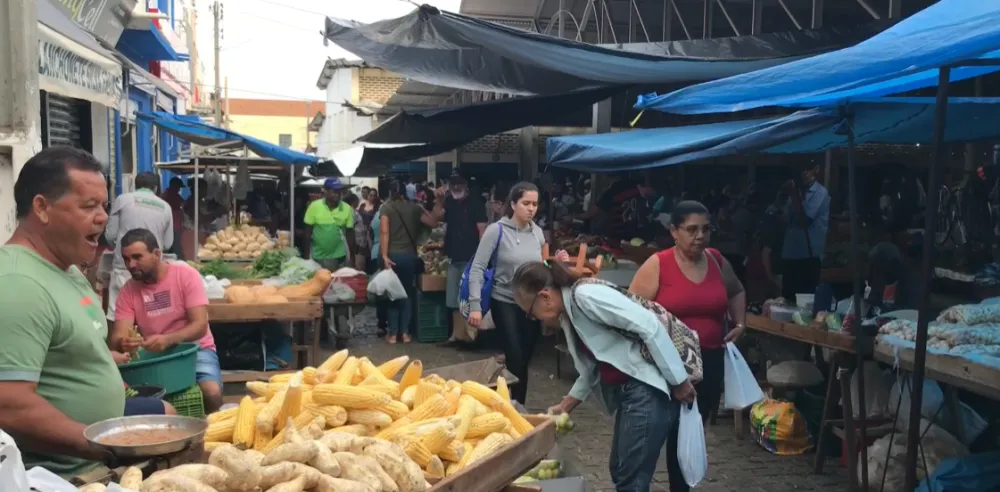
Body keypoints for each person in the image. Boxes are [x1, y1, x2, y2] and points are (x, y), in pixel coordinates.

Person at [0, 147, 171, 477]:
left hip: (97, 462)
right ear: (42, 208)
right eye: (89, 206)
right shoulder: (18, 283)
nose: (104, 217)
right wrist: (109, 448)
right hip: (64, 478)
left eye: (105, 206)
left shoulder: (67, 268)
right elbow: (9, 404)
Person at [510, 261, 696, 492]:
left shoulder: (586, 296)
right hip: (629, 393)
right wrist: (566, 405)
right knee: (620, 469)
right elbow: (592, 368)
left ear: (545, 297)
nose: (535, 319)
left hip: (646, 388)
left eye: (530, 313)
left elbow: (650, 326)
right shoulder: (569, 314)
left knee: (631, 478)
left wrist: (679, 381)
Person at [629, 200, 746, 492]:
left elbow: (737, 290)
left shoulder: (717, 260)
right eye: (691, 229)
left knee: (689, 433)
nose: (700, 236)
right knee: (657, 434)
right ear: (673, 231)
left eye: (706, 229)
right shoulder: (658, 264)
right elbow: (630, 312)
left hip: (709, 361)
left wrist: (740, 323)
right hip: (665, 366)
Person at [468, 182, 568, 404]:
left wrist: (555, 261)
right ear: (513, 204)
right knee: (514, 355)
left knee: (524, 357)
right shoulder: (497, 231)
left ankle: (510, 401)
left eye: (534, 204)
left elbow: (541, 266)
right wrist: (475, 305)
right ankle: (515, 406)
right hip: (504, 300)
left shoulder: (537, 232)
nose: (531, 208)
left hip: (532, 305)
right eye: (525, 203)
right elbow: (478, 267)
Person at [110, 228, 223, 412]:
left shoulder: (185, 276)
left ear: (156, 254)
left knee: (212, 392)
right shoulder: (128, 291)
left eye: (137, 257)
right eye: (126, 259)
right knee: (145, 400)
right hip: (154, 356)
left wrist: (168, 339)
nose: (131, 264)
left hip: (195, 349)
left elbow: (200, 326)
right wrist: (125, 342)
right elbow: (118, 336)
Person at [104, 171, 174, 321]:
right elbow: (167, 244)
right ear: (155, 188)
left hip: (124, 267)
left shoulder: (123, 200)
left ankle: (116, 344)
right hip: (151, 269)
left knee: (118, 315)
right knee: (153, 315)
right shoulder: (166, 207)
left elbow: (110, 235)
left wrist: (121, 251)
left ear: (135, 185)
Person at [431, 174, 487, 344]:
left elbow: (483, 231)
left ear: (466, 185)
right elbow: (435, 220)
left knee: (470, 298)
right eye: (453, 184)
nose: (456, 187)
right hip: (453, 257)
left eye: (459, 184)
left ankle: (471, 336)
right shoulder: (449, 202)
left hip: (472, 259)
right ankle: (456, 335)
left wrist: (482, 258)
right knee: (454, 299)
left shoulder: (476, 204)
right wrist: (439, 200)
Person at [380, 180, 438, 343]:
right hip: (409, 257)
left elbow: (384, 231)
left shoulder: (386, 207)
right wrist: (421, 207)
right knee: (406, 294)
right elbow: (433, 223)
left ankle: (392, 334)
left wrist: (384, 256)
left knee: (392, 294)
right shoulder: (414, 208)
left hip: (392, 256)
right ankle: (405, 334)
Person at [780, 163, 831, 300]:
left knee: (805, 301)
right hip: (790, 254)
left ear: (816, 170)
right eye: (802, 169)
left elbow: (804, 220)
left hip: (808, 257)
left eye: (808, 169)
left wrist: (793, 194)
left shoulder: (820, 193)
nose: (805, 173)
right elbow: (784, 219)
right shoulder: (797, 192)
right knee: (787, 300)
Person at [582, 175, 657, 242]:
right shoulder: (633, 187)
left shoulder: (612, 192)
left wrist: (577, 216)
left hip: (623, 236)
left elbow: (593, 212)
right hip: (633, 236)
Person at [304, 178, 356, 271]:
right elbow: (307, 234)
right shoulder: (314, 206)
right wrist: (306, 257)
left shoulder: (347, 208)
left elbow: (350, 235)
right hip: (318, 257)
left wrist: (352, 259)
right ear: (326, 191)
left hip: (340, 256)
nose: (337, 194)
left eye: (340, 191)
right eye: (334, 191)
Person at [160, 177, 186, 258]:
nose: (179, 189)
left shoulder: (173, 195)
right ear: (174, 186)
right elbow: (184, 204)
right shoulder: (168, 195)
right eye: (178, 187)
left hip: (175, 224)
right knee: (175, 246)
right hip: (173, 225)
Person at [344, 193, 369, 271]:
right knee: (358, 270)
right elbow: (350, 230)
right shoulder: (351, 212)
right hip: (357, 248)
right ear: (353, 201)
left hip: (357, 247)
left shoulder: (350, 211)